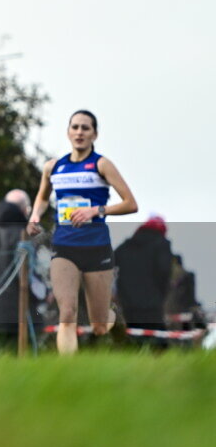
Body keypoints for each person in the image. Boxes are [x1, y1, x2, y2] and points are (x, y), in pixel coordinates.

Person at [28, 109, 138, 354]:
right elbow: (42, 198)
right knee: (67, 313)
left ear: (94, 134)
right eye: (75, 127)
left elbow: (131, 203)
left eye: (85, 128)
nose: (79, 132)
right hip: (64, 246)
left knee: (99, 326)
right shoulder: (53, 167)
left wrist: (96, 211)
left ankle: (108, 314)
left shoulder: (102, 164)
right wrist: (35, 215)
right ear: (68, 132)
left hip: (96, 247)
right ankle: (68, 372)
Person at [0, 189, 45, 351]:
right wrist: (45, 294)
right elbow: (33, 277)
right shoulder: (26, 236)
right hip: (19, 314)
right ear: (24, 209)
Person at [114, 215, 173, 347]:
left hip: (128, 299)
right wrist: (162, 294)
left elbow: (111, 263)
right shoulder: (162, 244)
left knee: (134, 335)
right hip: (152, 300)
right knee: (157, 338)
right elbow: (164, 272)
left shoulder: (126, 245)